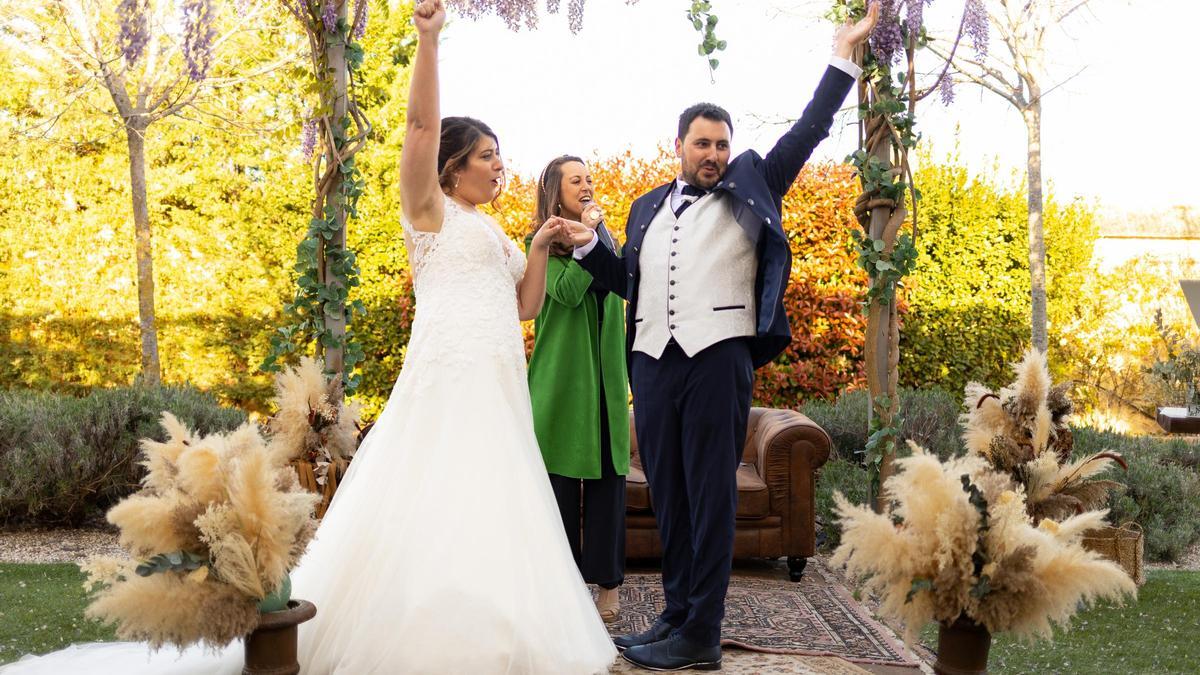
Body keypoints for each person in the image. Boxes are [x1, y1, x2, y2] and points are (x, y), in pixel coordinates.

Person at [0, 2, 616, 673]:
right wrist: (429, 41)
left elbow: (525, 307)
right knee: (440, 499)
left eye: (500, 156)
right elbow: (417, 126)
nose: (502, 167)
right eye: (488, 156)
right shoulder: (428, 211)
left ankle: (504, 631)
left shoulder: (494, 231)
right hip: (449, 380)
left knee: (496, 506)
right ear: (451, 166)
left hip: (500, 387)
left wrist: (536, 245)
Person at [557, 3, 881, 670]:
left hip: (717, 358)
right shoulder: (645, 205)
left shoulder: (751, 184)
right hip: (651, 364)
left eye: (721, 144)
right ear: (679, 145)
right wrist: (589, 249)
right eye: (702, 143)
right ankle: (676, 615)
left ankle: (703, 632)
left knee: (709, 496)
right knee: (672, 495)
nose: (713, 154)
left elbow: (808, 131)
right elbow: (629, 281)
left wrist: (842, 57)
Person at [527, 156, 630, 624]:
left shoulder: (605, 238)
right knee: (562, 489)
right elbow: (567, 293)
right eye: (576, 180)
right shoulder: (542, 247)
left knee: (609, 483)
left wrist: (598, 239)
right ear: (556, 191)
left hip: (606, 379)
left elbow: (625, 286)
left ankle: (608, 587)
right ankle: (563, 588)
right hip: (562, 382)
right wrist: (588, 245)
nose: (587, 186)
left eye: (589, 178)